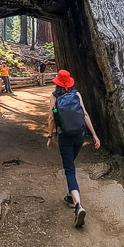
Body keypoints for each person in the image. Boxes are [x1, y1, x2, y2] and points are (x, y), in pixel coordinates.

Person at [47, 69, 100, 228]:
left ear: (57, 82)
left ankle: (78, 205)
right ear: (69, 82)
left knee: (69, 170)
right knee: (71, 164)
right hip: (80, 135)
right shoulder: (76, 95)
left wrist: (50, 137)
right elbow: (85, 115)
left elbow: (51, 118)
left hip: (65, 136)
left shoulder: (54, 96)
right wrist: (95, 135)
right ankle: (70, 196)